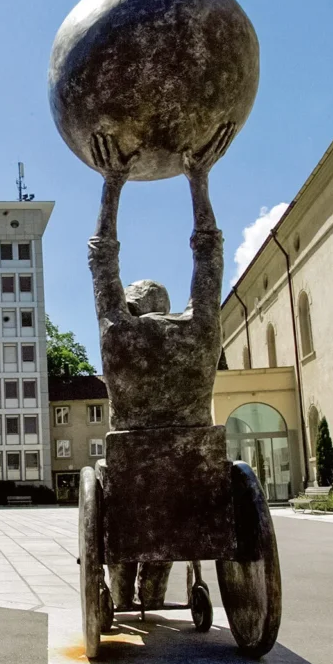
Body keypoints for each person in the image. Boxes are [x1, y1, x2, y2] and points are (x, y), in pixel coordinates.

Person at [87, 124, 234, 611]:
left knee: (129, 481)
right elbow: (209, 250)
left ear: (128, 308)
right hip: (191, 479)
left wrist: (113, 181)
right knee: (177, 478)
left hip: (133, 482)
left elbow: (101, 259)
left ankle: (126, 594)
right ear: (170, 306)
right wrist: (199, 177)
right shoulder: (200, 332)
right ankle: (154, 588)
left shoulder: (118, 335)